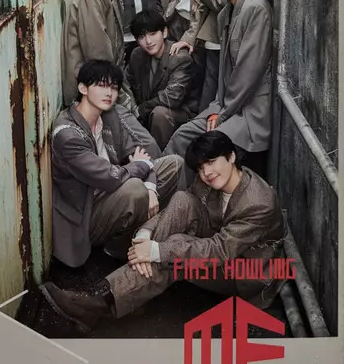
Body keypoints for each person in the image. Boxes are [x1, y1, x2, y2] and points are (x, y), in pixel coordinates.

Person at [39, 131, 287, 333]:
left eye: (212, 162)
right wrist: (145, 235)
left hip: (243, 272)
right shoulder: (210, 179)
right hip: (217, 239)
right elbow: (181, 207)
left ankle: (98, 302)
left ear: (231, 157)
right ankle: (129, 291)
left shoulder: (259, 203)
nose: (206, 173)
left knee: (174, 252)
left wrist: (158, 251)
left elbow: (219, 251)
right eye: (201, 168)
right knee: (181, 201)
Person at [50, 59, 183, 269]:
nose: (109, 93)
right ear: (83, 88)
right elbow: (110, 176)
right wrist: (140, 169)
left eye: (113, 87)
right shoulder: (68, 135)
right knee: (135, 189)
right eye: (102, 85)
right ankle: (118, 248)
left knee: (173, 164)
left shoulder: (109, 117)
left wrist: (150, 187)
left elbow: (140, 155)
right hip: (87, 213)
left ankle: (143, 233)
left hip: (114, 193)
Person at [163, 0, 273, 182]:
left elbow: (247, 73)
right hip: (225, 105)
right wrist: (216, 109)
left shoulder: (256, 9)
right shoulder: (226, 12)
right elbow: (225, 71)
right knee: (182, 135)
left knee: (205, 146)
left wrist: (221, 115)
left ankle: (183, 197)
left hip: (248, 112)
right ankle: (162, 190)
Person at [62, 0, 161, 158]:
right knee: (149, 149)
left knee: (133, 151)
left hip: (105, 91)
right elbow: (99, 58)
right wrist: (125, 100)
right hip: (94, 93)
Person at [126, 10, 199, 150]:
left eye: (153, 34)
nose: (148, 41)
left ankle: (158, 158)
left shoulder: (179, 57)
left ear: (164, 32)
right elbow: (127, 82)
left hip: (180, 113)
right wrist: (131, 107)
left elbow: (172, 98)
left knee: (160, 114)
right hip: (149, 110)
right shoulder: (137, 55)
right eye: (142, 37)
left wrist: (141, 109)